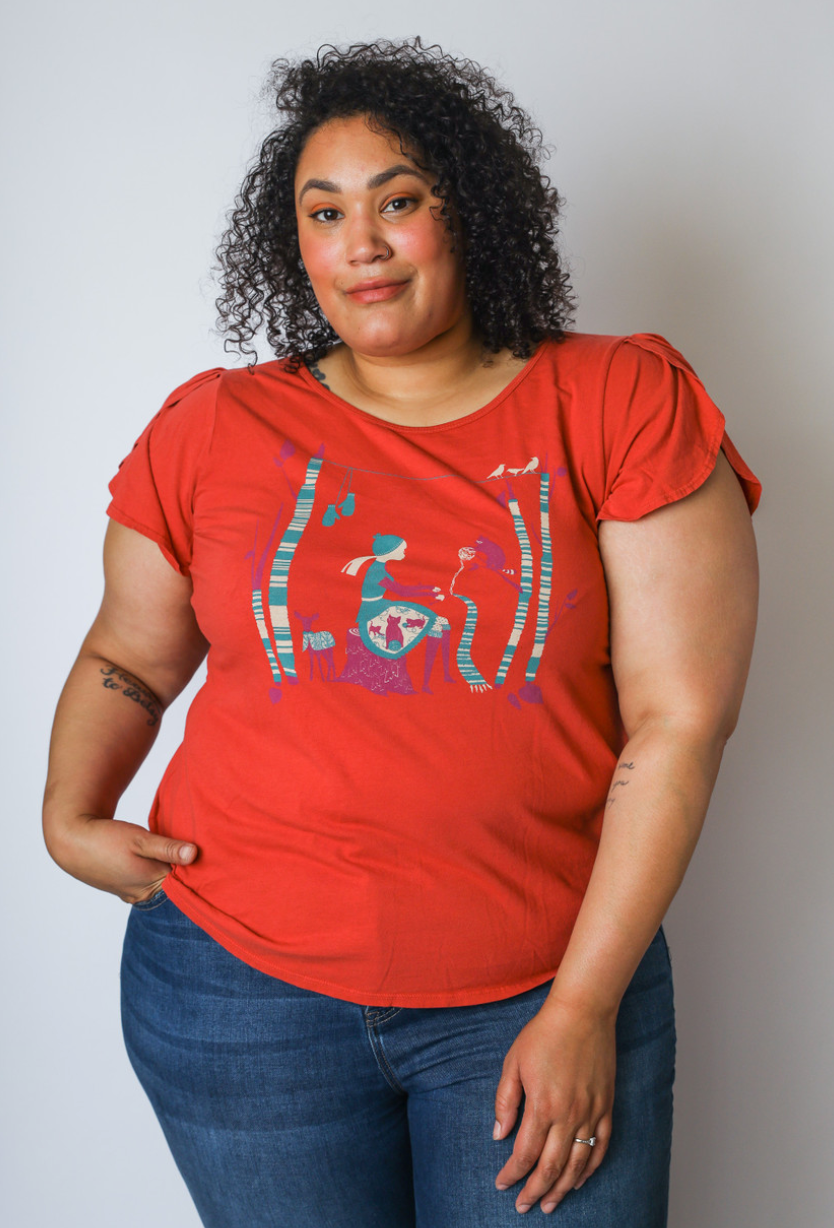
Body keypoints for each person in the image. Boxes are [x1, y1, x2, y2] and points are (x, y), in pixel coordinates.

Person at [42, 36, 761, 1228]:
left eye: (400, 202)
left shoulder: (617, 400)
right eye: (323, 212)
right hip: (237, 997)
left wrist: (582, 1008)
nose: (360, 244)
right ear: (295, 244)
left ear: (468, 213)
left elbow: (679, 721)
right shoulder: (215, 424)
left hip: (541, 991)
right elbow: (130, 650)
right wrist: (70, 812)